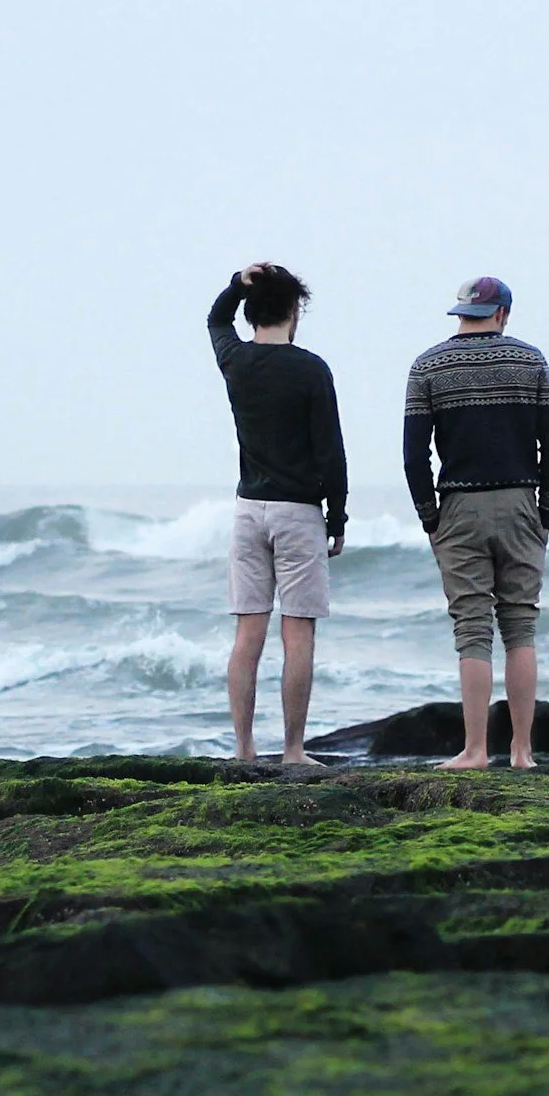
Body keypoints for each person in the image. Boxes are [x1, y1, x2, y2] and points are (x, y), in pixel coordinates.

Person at [402, 275, 549, 768]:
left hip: (458, 504)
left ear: (462, 312)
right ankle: (522, 751)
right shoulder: (530, 359)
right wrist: (546, 512)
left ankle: (475, 750)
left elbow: (414, 456)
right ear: (503, 313)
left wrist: (430, 519)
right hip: (520, 501)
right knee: (520, 626)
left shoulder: (427, 365)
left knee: (472, 628)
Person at [207, 262, 348, 763]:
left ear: (250, 312)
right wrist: (338, 516)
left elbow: (214, 322)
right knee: (298, 631)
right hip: (297, 511)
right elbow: (330, 452)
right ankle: (292, 750)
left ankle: (244, 748)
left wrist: (236, 284)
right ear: (295, 311)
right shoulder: (311, 369)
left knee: (248, 632)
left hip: (248, 509)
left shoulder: (237, 362)